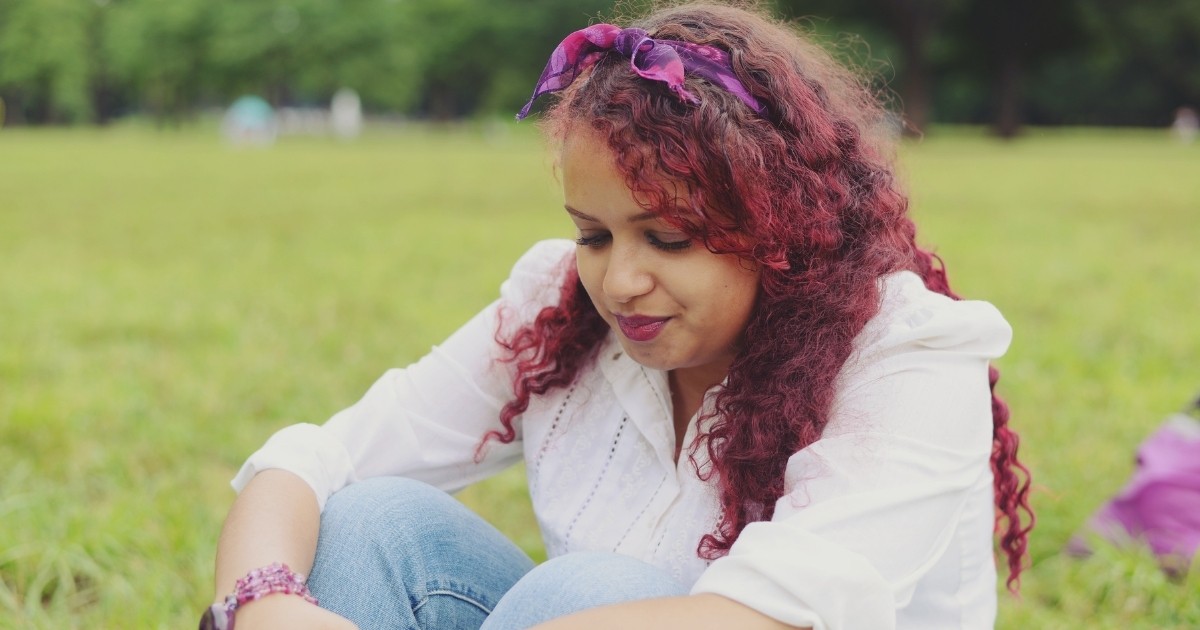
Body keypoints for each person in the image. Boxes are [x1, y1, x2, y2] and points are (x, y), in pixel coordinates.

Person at [205, 3, 1033, 629]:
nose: (621, 280)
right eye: (593, 234)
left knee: (583, 595)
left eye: (670, 237)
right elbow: (315, 461)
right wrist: (262, 599)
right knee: (372, 522)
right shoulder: (560, 305)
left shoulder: (906, 353)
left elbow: (763, 614)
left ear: (781, 223)